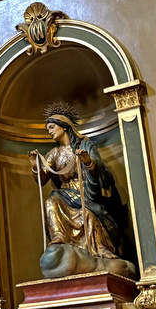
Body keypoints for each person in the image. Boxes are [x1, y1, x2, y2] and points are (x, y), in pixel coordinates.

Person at [30, 103, 129, 275]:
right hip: (65, 194)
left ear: (64, 126)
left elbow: (101, 172)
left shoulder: (84, 146)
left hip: (86, 192)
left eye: (52, 127)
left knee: (88, 213)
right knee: (51, 202)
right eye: (48, 129)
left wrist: (88, 161)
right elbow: (42, 179)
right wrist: (34, 166)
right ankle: (59, 236)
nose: (50, 131)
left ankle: (100, 248)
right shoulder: (54, 154)